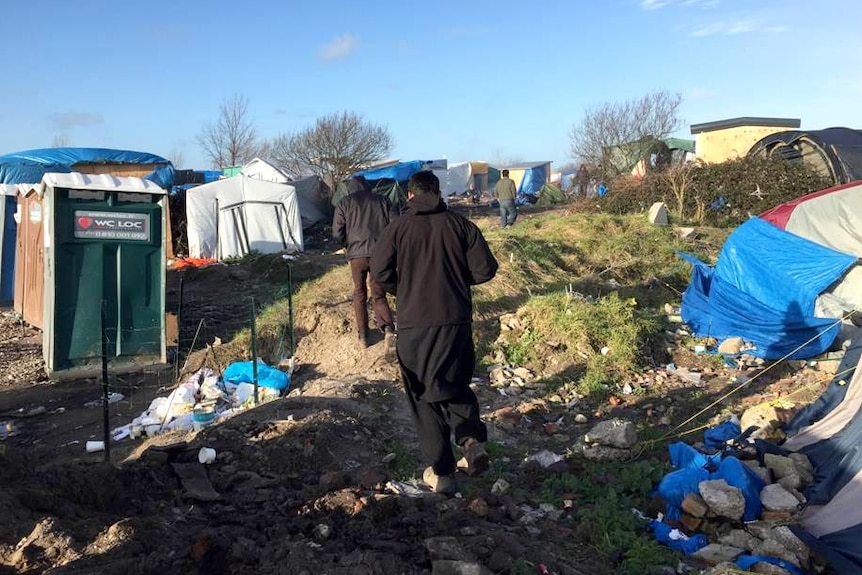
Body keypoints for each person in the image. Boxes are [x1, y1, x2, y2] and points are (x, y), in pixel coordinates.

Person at [371, 171, 499, 494]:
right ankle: (470, 440)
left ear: (409, 195)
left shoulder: (397, 228)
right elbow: (486, 269)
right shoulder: (460, 225)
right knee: (456, 383)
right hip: (456, 321)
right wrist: (454, 278)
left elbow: (380, 271)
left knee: (422, 395)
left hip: (415, 325)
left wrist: (404, 289)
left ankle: (442, 472)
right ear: (438, 192)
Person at [332, 175, 396, 353]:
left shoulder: (344, 203)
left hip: (356, 256)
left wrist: (348, 244)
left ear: (350, 189)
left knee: (359, 292)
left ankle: (363, 336)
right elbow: (395, 224)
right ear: (368, 187)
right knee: (378, 292)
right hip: (380, 254)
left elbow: (337, 233)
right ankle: (389, 329)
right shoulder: (383, 201)